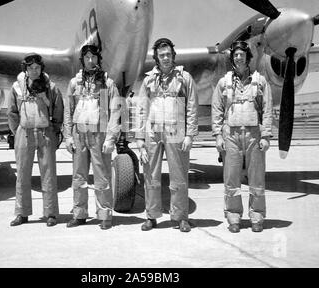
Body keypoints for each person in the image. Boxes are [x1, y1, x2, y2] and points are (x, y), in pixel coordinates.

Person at [135, 38, 198, 232]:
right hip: (153, 132)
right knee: (150, 175)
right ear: (156, 58)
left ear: (173, 56)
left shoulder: (184, 78)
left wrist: (189, 135)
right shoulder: (148, 80)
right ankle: (151, 216)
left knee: (179, 176)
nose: (165, 58)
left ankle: (181, 217)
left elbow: (192, 108)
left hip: (176, 131)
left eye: (168, 55)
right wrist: (139, 139)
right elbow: (141, 109)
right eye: (161, 55)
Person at [211, 41, 273, 233]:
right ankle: (234, 216)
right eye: (236, 55)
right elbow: (217, 110)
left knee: (257, 179)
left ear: (248, 57)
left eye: (242, 54)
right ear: (232, 58)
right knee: (231, 179)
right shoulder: (223, 83)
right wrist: (218, 136)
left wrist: (266, 136)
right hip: (231, 135)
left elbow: (267, 109)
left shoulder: (260, 81)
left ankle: (256, 217)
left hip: (254, 134)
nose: (239, 57)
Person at [63, 45, 121, 230]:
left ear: (98, 59)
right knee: (78, 176)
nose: (90, 60)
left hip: (99, 134)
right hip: (79, 133)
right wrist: (68, 136)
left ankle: (104, 215)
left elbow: (115, 112)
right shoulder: (74, 83)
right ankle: (79, 214)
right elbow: (68, 110)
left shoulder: (108, 83)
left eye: (93, 57)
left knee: (102, 176)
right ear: (82, 60)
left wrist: (111, 138)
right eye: (87, 57)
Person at [7, 53, 64, 227]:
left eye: (37, 68)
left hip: (45, 133)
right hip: (24, 133)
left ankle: (51, 213)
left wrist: (54, 131)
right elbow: (12, 112)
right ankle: (21, 213)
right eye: (30, 68)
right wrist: (17, 130)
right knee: (22, 174)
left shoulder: (51, 87)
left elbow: (58, 110)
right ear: (25, 69)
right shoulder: (16, 87)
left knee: (48, 174)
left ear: (41, 69)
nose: (34, 71)